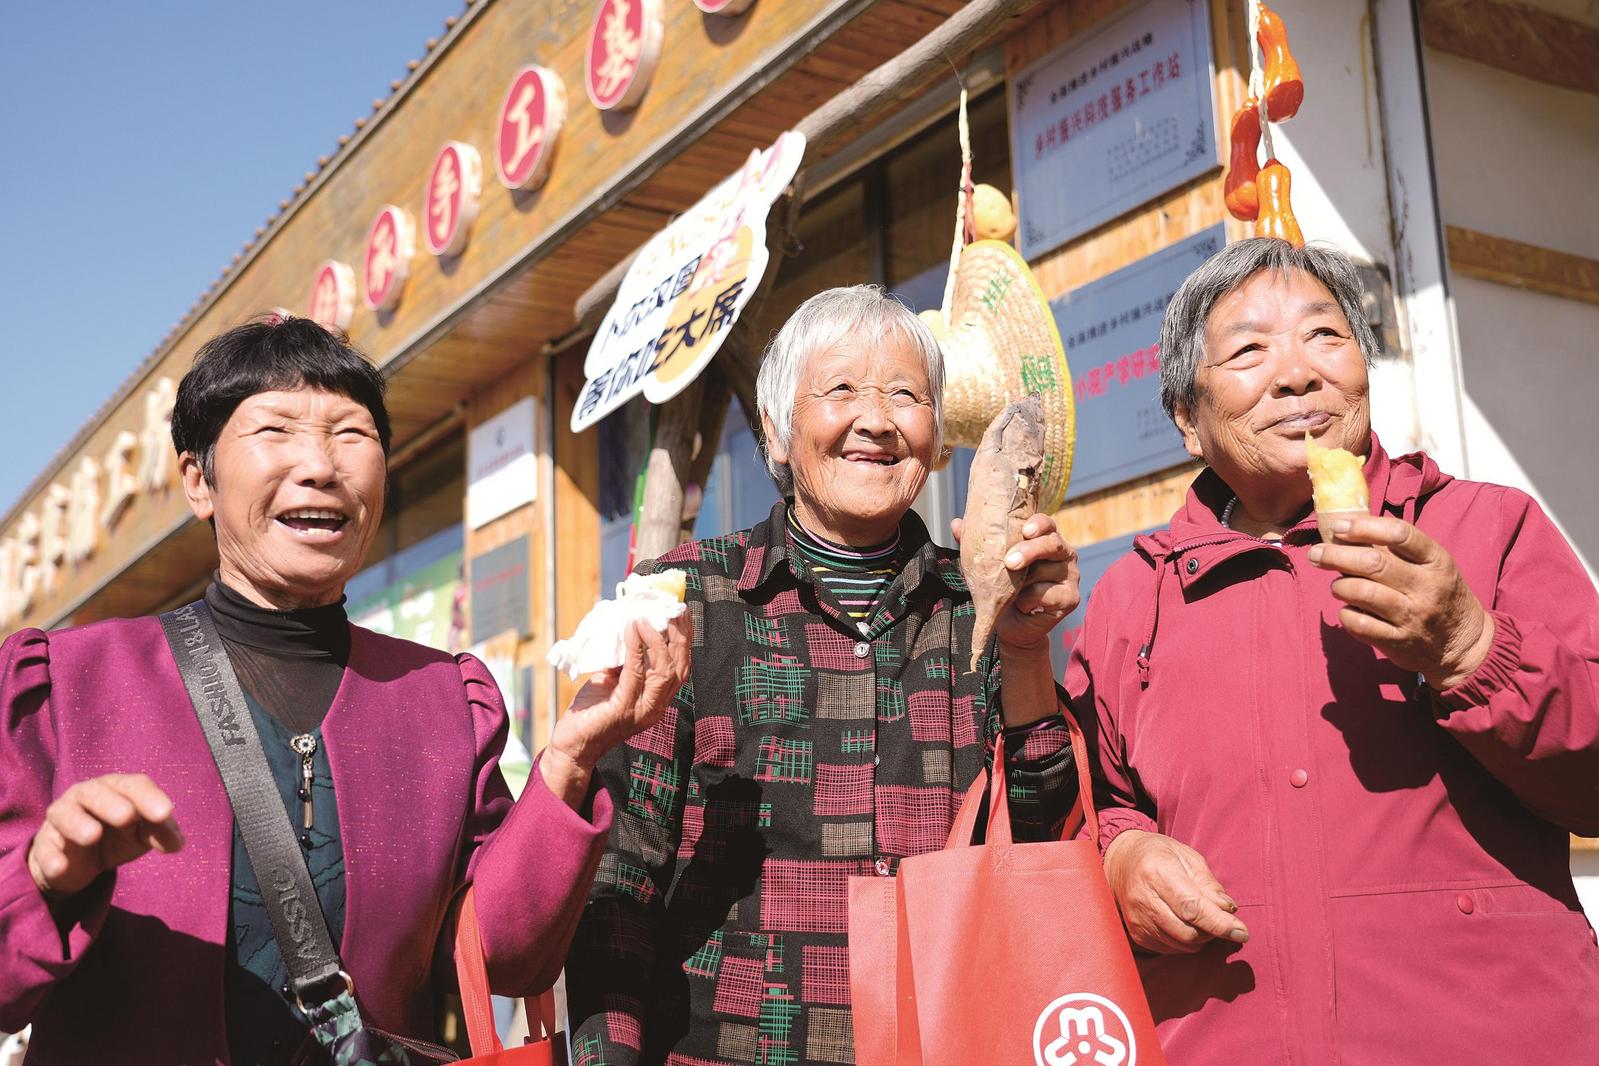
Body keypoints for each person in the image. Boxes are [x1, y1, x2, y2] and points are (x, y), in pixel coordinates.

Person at [0, 316, 690, 1063]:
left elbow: (503, 957)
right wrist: (47, 879)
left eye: (351, 434)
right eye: (275, 430)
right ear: (199, 481)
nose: (320, 466)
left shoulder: (443, 698)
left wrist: (570, 758)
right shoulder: (64, 684)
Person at [1068, 238, 1599, 1061]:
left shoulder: (1484, 529)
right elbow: (1092, 806)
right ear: (1186, 420)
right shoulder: (1133, 596)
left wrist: (1468, 648)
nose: (1297, 374)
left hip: (1492, 1035)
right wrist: (1122, 858)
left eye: (1324, 335)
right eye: (1248, 351)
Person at [565, 285, 1082, 1065]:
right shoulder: (685, 600)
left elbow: (1047, 845)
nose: (875, 420)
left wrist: (1025, 650)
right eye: (841, 389)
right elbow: (617, 884)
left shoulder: (981, 607)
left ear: (938, 439)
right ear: (776, 432)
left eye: (905, 395)